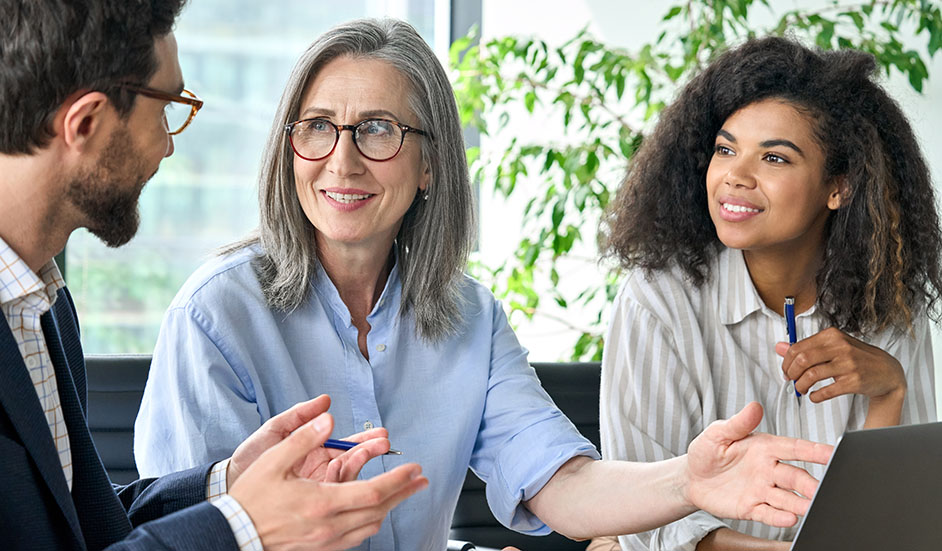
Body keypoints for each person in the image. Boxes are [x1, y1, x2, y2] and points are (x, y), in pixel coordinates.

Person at [133, 19, 834, 551]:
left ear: (431, 164)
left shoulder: (471, 317)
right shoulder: (216, 314)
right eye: (318, 127)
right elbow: (200, 533)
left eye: (377, 129)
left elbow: (561, 483)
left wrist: (689, 481)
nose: (341, 160)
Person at [0, 2, 431, 550]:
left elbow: (85, 528)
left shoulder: (43, 305)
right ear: (85, 124)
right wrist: (245, 528)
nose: (169, 144)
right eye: (165, 110)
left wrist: (229, 482)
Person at [591, 36, 941, 551]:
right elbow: (641, 521)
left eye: (774, 158)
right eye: (725, 149)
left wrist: (887, 391)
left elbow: (898, 518)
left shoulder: (885, 297)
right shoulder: (658, 300)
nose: (735, 175)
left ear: (838, 186)